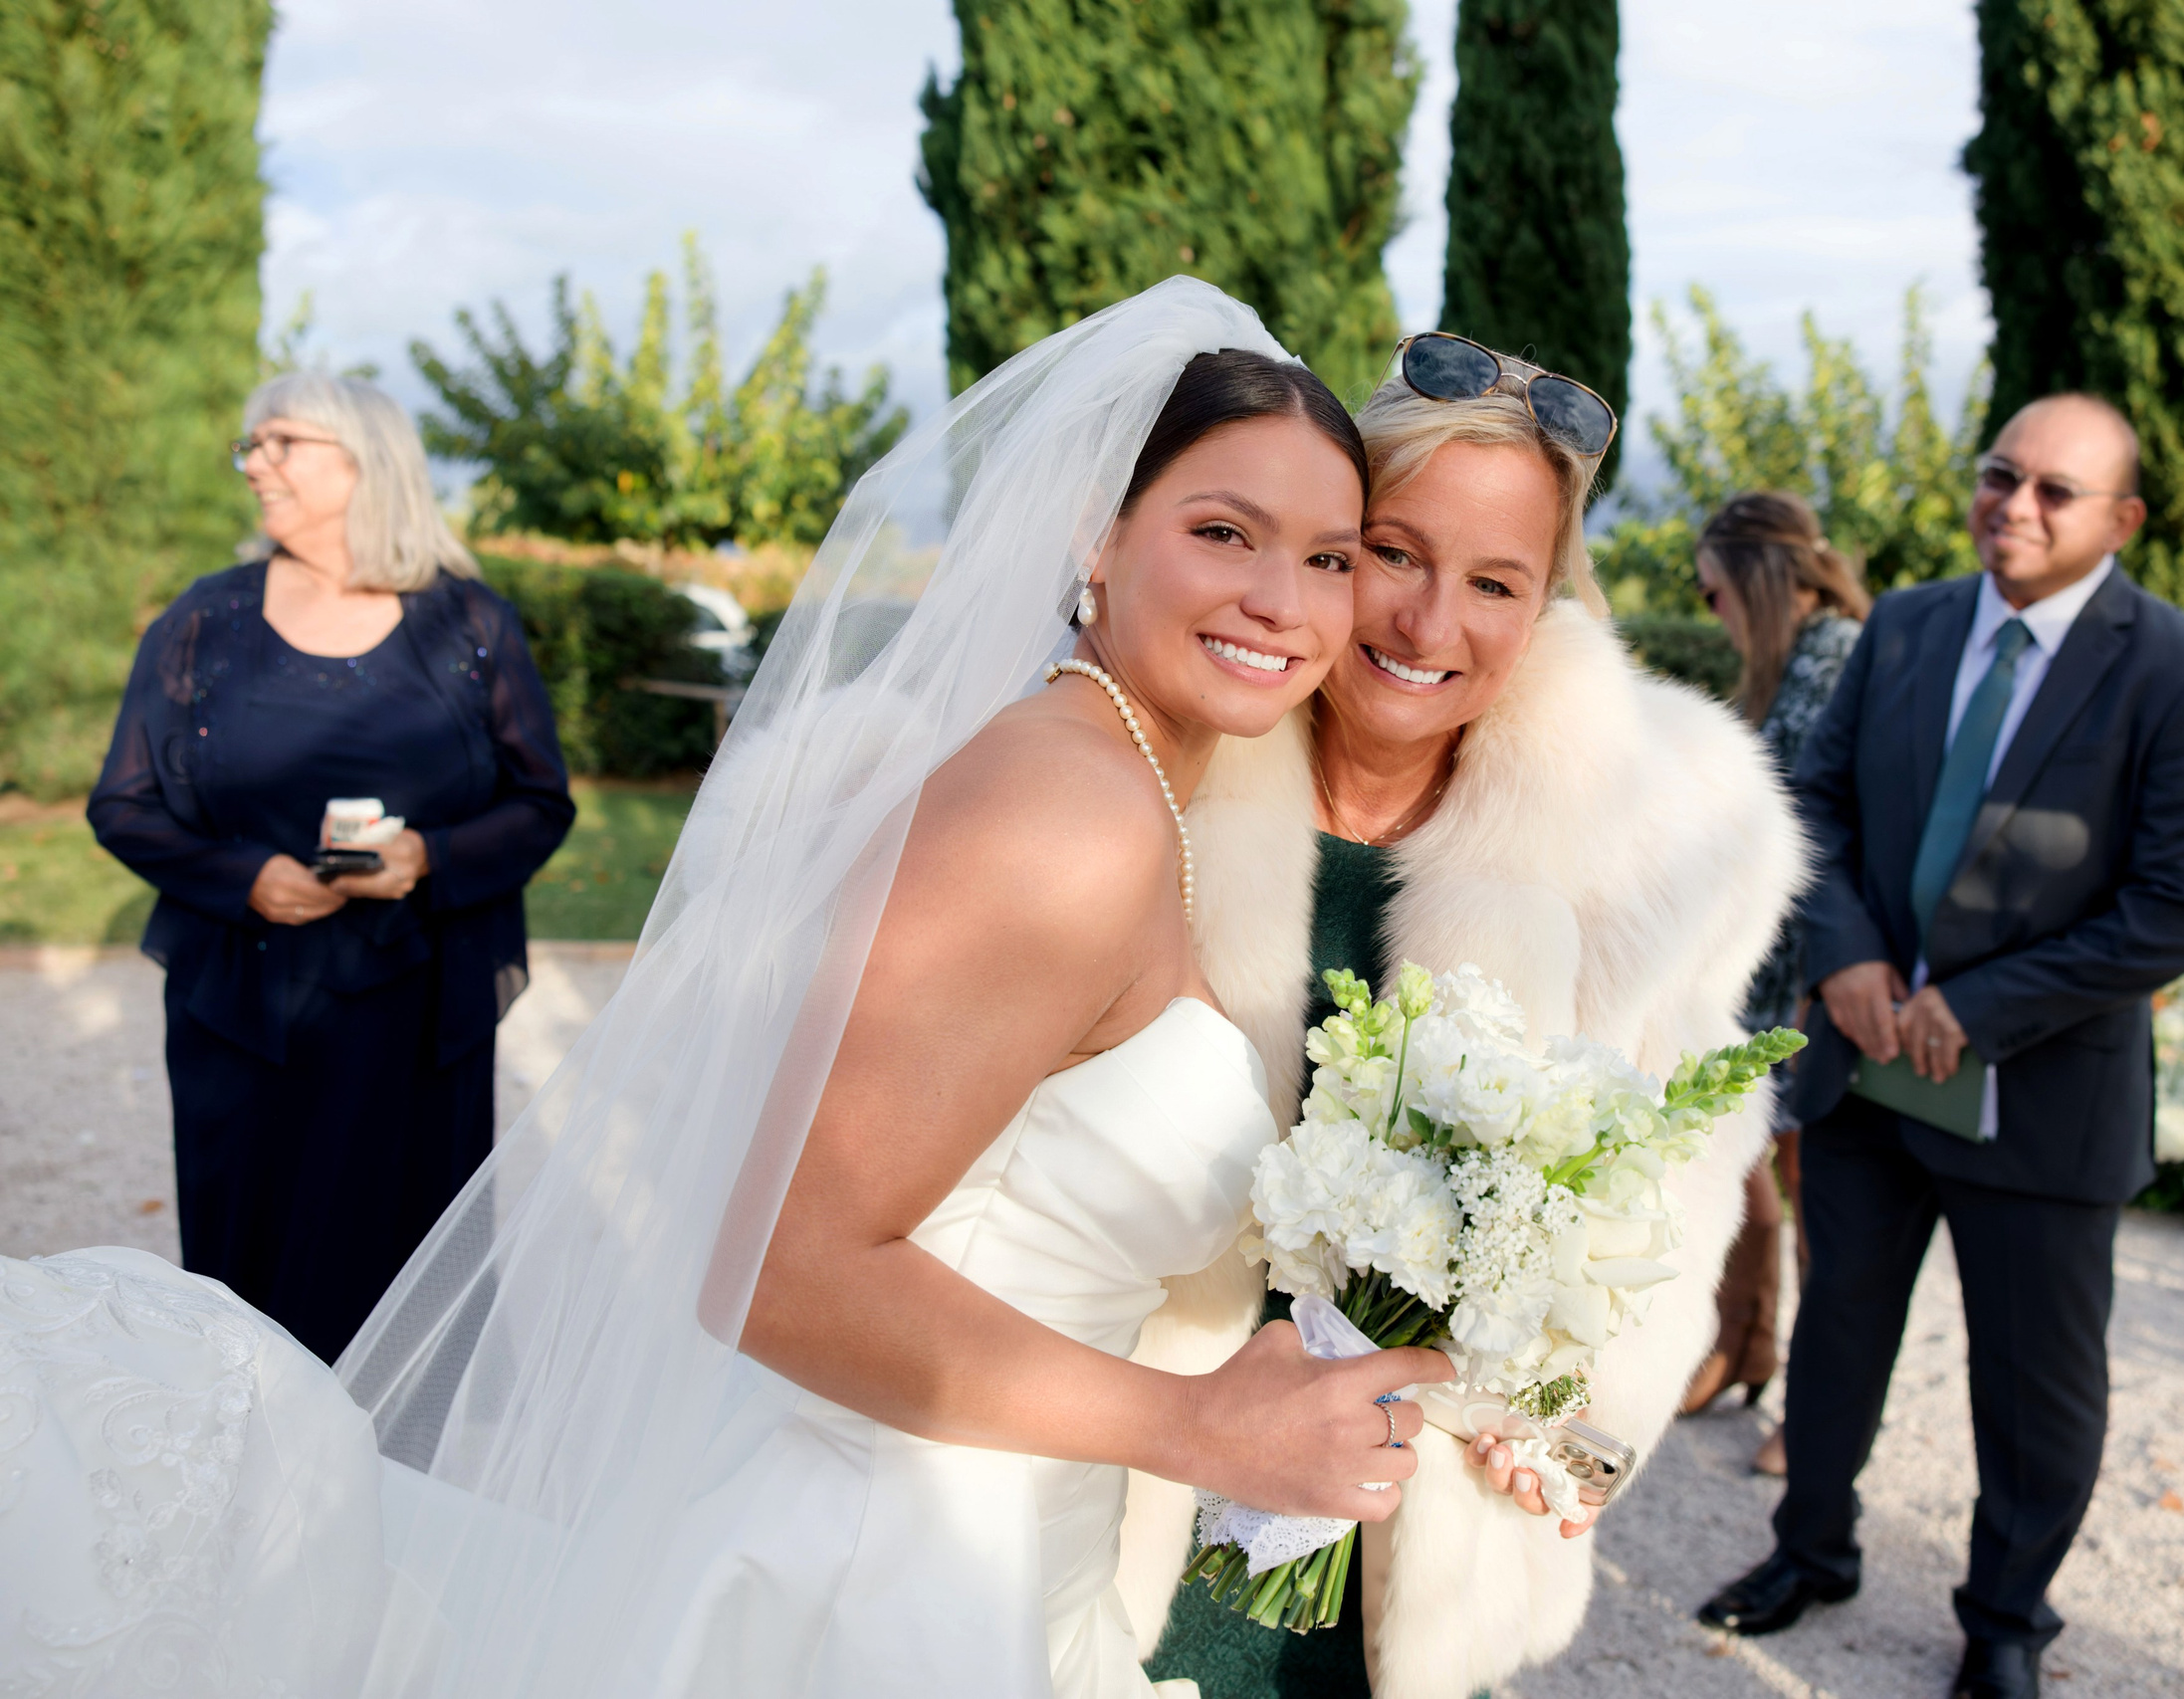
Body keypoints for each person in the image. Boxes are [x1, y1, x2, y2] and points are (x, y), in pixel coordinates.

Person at [1, 280, 1446, 1699]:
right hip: (881, 1575)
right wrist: (1198, 1426)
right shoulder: (1068, 809)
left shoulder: (1116, 779)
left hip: (993, 1542)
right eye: (1222, 532)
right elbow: (783, 1269)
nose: (1285, 598)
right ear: (1096, 535)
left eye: (1331, 555)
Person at [1133, 335, 1809, 1699]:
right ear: (1326, 545)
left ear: (1550, 594)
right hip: (1125, 1483)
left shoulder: (1664, 836)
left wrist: (1573, 1429)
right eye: (1392, 551)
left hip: (1417, 1530)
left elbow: (1675, 1179)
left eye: (1496, 581)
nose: (1430, 625)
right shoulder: (1146, 760)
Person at [1695, 395, 2184, 1699]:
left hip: (2042, 1090)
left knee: (2034, 1379)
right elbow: (1816, 801)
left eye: (2056, 489)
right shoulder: (1903, 625)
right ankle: (1810, 1546)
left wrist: (1983, 1003)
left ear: (2121, 519)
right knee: (1840, 1326)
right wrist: (1841, 955)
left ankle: (2006, 1617)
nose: (2016, 502)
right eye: (2002, 473)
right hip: (1863, 1060)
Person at [86, 371, 574, 1365]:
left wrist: (428, 858)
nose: (254, 464)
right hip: (243, 1008)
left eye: (281, 443)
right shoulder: (202, 622)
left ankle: (397, 1494)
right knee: (245, 1273)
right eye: (249, 446)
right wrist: (244, 877)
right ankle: (252, 1477)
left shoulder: (471, 627)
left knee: (401, 1272)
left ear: (366, 463)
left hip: (416, 1010)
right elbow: (123, 803)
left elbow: (539, 802)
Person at [1674, 494, 1867, 1482]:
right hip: (1759, 962)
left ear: (1752, 577)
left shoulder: (1837, 662)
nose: (1710, 613)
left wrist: (1820, 986)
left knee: (1809, 1195)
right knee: (1739, 1159)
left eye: (1712, 592)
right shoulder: (1791, 666)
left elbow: (1839, 840)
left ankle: (1813, 1409)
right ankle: (1740, 1344)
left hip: (1813, 974)